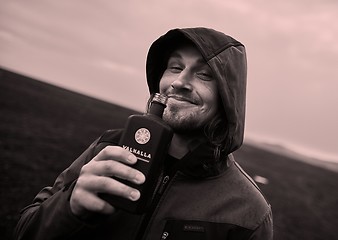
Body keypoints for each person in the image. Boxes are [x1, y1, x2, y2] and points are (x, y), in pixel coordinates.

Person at [14, 27, 273, 240]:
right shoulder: (107, 148)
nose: (179, 82)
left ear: (228, 98)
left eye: (204, 74)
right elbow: (24, 231)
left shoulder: (248, 211)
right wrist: (70, 208)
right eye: (174, 67)